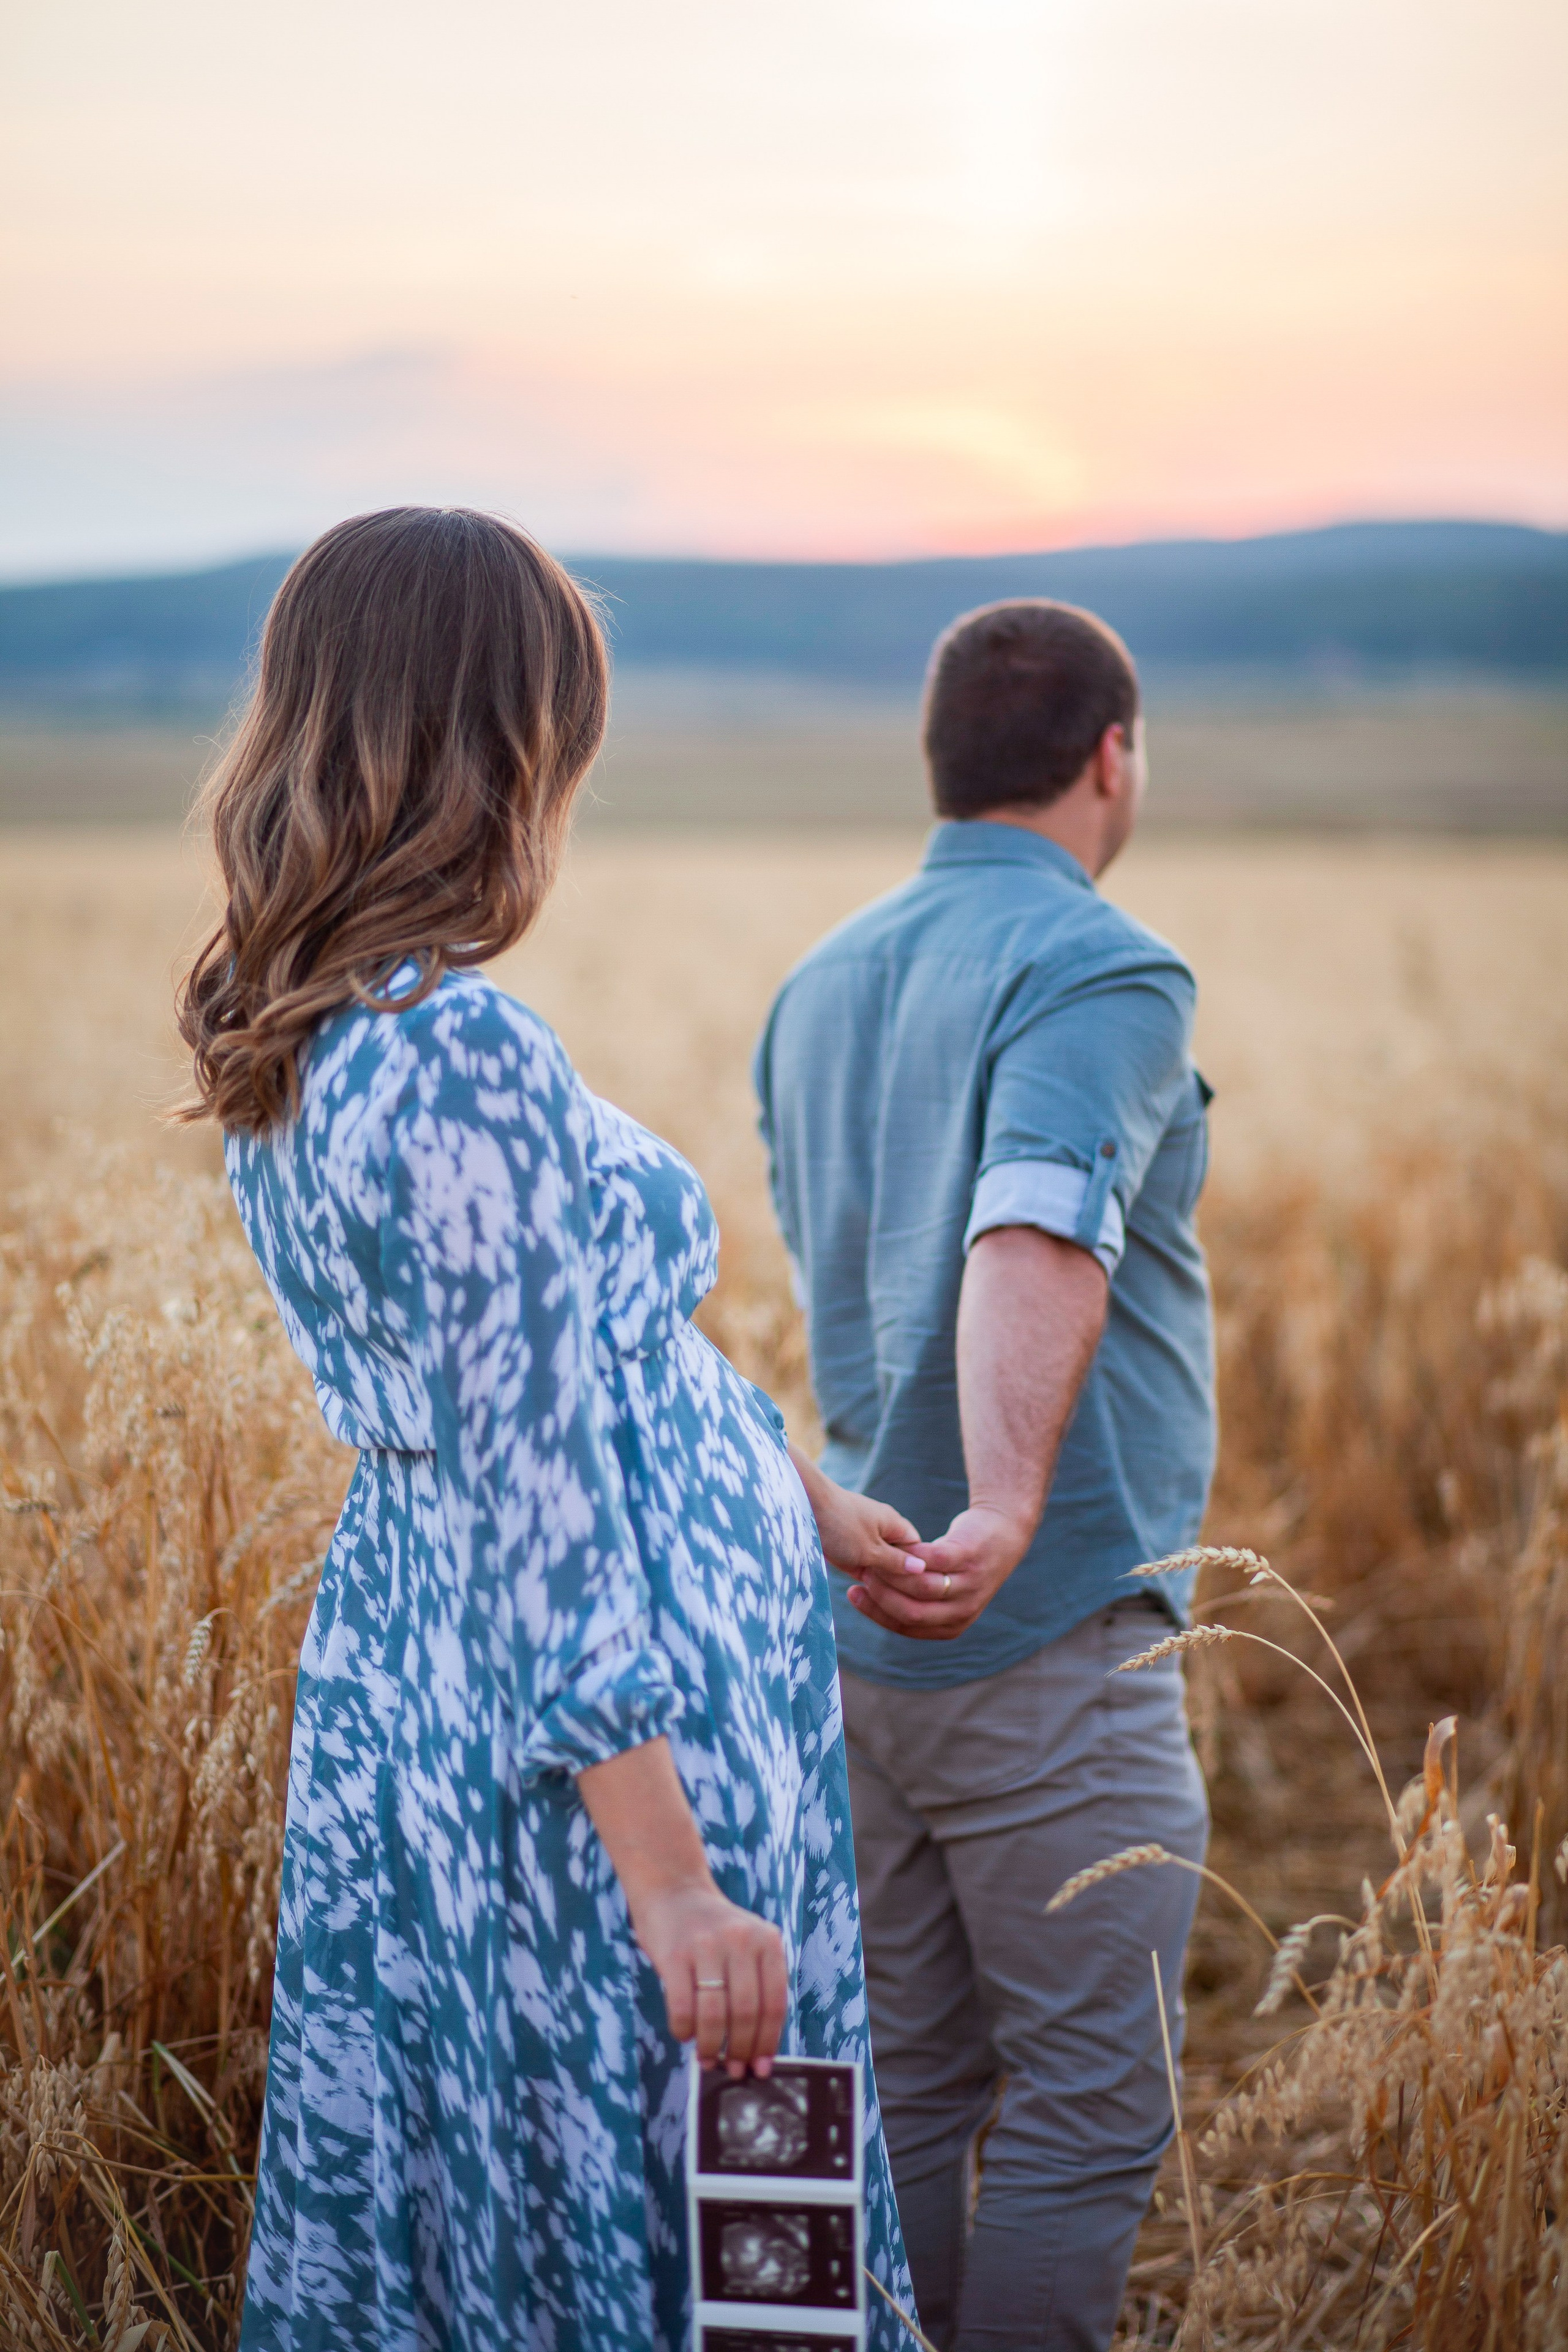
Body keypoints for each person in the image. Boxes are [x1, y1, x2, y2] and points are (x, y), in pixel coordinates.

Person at [176, 507, 916, 2352]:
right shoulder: (459, 1052)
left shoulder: (304, 1018)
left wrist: (796, 1491)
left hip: (441, 1678)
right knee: (708, 2209)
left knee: (512, 2167)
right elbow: (534, 1492)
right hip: (620, 1740)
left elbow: (539, 1370)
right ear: (500, 739)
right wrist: (676, 1889)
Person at [753, 599, 1215, 2352]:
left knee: (900, 2098)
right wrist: (1010, 1508)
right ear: (1112, 755)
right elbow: (1036, 1216)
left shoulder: (817, 983)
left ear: (943, 762)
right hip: (1042, 1630)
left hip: (852, 1627)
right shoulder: (1104, 966)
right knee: (1088, 2117)